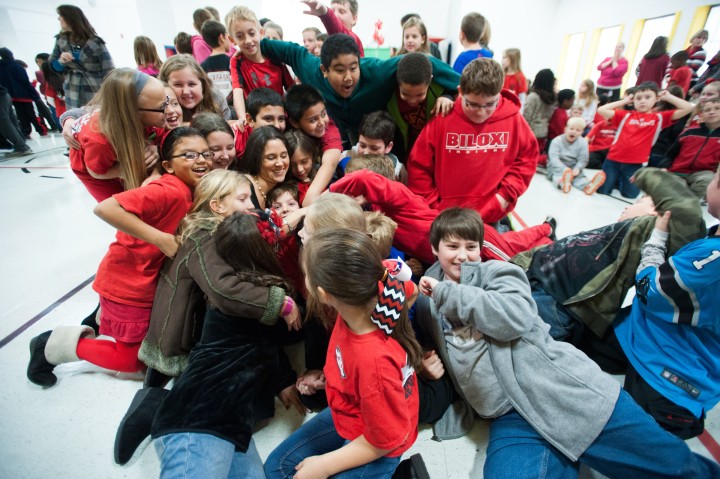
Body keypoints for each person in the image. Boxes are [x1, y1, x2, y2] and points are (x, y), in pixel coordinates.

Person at [414, 207, 720, 478]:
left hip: (564, 391)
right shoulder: (429, 299)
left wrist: (448, 293)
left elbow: (514, 319)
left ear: (481, 249)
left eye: (471, 246)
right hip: (511, 416)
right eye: (452, 246)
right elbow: (438, 349)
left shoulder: (499, 274)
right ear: (434, 248)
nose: (462, 255)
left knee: (677, 468)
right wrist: (425, 366)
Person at [26, 127, 210, 387]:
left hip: (147, 282)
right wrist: (161, 239)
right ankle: (52, 344)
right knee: (130, 362)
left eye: (205, 153)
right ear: (168, 165)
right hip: (127, 284)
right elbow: (106, 208)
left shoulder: (191, 188)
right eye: (189, 155)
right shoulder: (169, 189)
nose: (201, 160)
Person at [148, 211, 302, 477]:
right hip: (198, 420)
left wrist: (283, 378)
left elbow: (262, 343)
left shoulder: (247, 292)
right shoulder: (259, 298)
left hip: (228, 424)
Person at [264, 228, 422, 479]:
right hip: (353, 413)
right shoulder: (374, 294)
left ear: (324, 295)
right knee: (276, 468)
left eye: (306, 276)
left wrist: (325, 465)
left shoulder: (373, 361)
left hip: (382, 440)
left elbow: (383, 440)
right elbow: (411, 292)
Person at [611, 165, 720, 440]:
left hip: (669, 372)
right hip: (645, 336)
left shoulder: (711, 259)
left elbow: (649, 290)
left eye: (715, 178)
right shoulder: (712, 238)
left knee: (630, 442)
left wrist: (657, 239)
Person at [259, 33, 459, 146]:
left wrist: (452, 90)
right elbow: (292, 52)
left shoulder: (377, 71)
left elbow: (422, 61)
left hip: (382, 134)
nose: (348, 77)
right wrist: (256, 45)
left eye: (353, 68)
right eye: (339, 70)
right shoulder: (313, 72)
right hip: (344, 133)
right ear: (324, 70)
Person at [407, 58, 537, 225]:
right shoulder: (443, 119)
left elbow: (527, 159)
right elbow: (418, 165)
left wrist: (504, 196)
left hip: (493, 214)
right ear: (460, 92)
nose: (481, 112)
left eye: (490, 104)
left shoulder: (513, 118)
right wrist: (433, 206)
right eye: (473, 105)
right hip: (445, 217)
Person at [66, 68, 168, 202]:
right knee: (123, 206)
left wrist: (156, 149)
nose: (169, 110)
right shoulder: (99, 140)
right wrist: (131, 167)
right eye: (162, 106)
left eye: (167, 101)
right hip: (96, 170)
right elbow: (96, 172)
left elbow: (161, 138)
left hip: (119, 152)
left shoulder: (152, 117)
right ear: (133, 113)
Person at [596, 83, 693, 198]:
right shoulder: (625, 115)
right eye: (638, 98)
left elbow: (689, 108)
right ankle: (615, 180)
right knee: (603, 191)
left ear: (656, 99)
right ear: (633, 100)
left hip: (635, 163)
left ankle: (619, 181)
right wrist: (625, 101)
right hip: (613, 159)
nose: (642, 101)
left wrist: (668, 97)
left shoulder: (659, 117)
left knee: (630, 195)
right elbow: (601, 109)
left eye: (647, 97)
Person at [225, 5, 294, 126]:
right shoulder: (237, 60)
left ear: (261, 32)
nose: (247, 40)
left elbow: (291, 89)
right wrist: (242, 120)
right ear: (232, 40)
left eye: (251, 33)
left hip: (280, 116)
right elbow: (237, 92)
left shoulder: (275, 57)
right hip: (257, 120)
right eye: (240, 36)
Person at [387, 52, 455, 163]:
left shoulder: (439, 91)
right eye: (406, 94)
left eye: (419, 95)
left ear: (430, 81)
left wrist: (447, 97)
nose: (412, 101)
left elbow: (454, 90)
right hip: (404, 156)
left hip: (431, 156)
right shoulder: (390, 97)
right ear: (397, 83)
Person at [284, 84, 342, 205]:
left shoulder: (328, 128)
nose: (321, 123)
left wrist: (310, 198)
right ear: (294, 122)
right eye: (313, 120)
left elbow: (330, 163)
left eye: (323, 114)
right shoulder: (282, 126)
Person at [50, 4, 114, 109]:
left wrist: (110, 92)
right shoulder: (60, 41)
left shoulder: (96, 42)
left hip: (96, 88)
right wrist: (61, 61)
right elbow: (54, 66)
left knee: (101, 120)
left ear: (70, 17)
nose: (59, 19)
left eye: (61, 15)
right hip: (73, 91)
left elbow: (109, 70)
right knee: (78, 121)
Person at [663, 98, 720, 200]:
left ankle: (689, 203)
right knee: (673, 190)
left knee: (706, 180)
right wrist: (664, 166)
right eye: (707, 110)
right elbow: (671, 152)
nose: (712, 112)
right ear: (701, 115)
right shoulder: (689, 132)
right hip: (678, 170)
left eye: (717, 108)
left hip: (704, 172)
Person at [159, 54, 230, 123]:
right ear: (166, 85)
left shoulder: (216, 98)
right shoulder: (159, 105)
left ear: (203, 84)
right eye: (178, 85)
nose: (186, 91)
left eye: (191, 84)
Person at [237, 126, 293, 211]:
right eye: (271, 158)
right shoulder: (243, 186)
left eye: (283, 156)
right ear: (256, 159)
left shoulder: (276, 191)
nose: (280, 163)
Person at [547, 117, 606, 194]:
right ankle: (563, 183)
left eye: (578, 130)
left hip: (573, 166)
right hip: (558, 167)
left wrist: (578, 168)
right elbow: (554, 158)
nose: (574, 132)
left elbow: (583, 159)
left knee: (579, 178)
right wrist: (564, 169)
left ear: (582, 132)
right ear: (565, 129)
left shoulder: (583, 143)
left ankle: (588, 186)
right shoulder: (557, 141)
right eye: (571, 129)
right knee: (557, 176)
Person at [0, 48, 44, 138]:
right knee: (32, 114)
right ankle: (41, 130)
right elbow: (25, 82)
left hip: (11, 96)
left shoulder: (1, 67)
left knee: (21, 115)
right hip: (24, 95)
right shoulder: (16, 66)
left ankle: (26, 132)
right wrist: (35, 95)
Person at [233, 87, 287, 158]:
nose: (277, 125)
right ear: (250, 120)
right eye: (268, 119)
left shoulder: (288, 140)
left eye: (281, 119)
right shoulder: (235, 140)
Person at [523, 68, 556, 153]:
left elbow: (526, 116)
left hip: (530, 132)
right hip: (543, 131)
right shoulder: (553, 99)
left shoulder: (533, 96)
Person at [199, 20, 232, 104]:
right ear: (222, 37)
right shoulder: (233, 62)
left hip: (214, 108)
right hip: (232, 107)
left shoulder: (202, 66)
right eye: (228, 37)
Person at [284, 128, 320, 203]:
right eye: (292, 165)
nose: (299, 169)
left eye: (304, 162)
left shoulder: (322, 173)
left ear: (313, 156)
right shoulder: (286, 189)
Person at [0, 85, 31, 156]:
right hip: (4, 95)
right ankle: (23, 145)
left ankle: (22, 148)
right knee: (12, 122)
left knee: (4, 124)